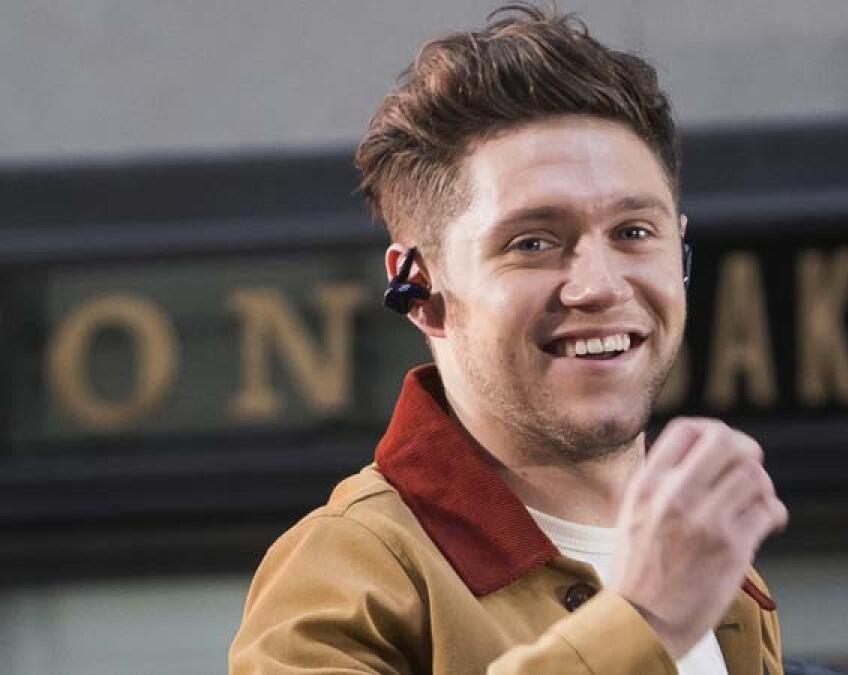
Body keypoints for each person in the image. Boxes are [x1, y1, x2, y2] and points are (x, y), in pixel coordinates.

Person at [229, 5, 789, 674]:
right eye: (533, 242)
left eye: (634, 232)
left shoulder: (722, 579)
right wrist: (645, 620)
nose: (599, 285)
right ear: (419, 287)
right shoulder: (349, 568)